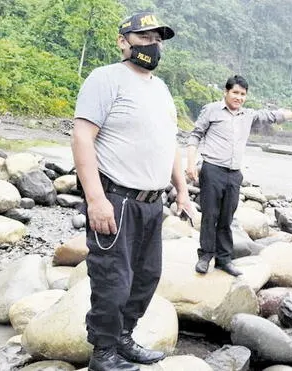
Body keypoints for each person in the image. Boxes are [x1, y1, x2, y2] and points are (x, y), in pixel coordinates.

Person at [71, 12, 192, 371]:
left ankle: (123, 338)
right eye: (143, 37)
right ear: (122, 41)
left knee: (145, 277)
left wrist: (181, 191)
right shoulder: (106, 79)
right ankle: (103, 354)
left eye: (157, 38)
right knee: (113, 279)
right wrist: (96, 199)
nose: (152, 45)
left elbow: (168, 144)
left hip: (153, 203)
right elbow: (81, 136)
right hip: (116, 200)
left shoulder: (161, 89)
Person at [186, 75, 292, 276]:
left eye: (242, 94)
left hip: (234, 174)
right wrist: (190, 163)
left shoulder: (248, 115)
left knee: (226, 218)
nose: (238, 97)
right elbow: (196, 135)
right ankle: (205, 256)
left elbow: (274, 115)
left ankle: (224, 259)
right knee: (210, 215)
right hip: (212, 169)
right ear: (226, 92)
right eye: (235, 93)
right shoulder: (212, 110)